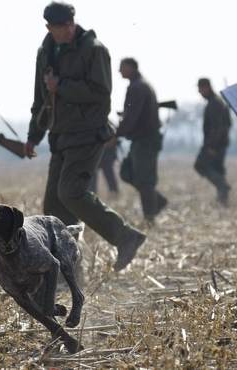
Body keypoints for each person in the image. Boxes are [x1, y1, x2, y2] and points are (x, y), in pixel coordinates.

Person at [25, 2, 146, 272]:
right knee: (54, 208)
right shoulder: (45, 52)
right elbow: (41, 97)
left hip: (88, 133)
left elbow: (101, 92)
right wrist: (34, 135)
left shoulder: (94, 50)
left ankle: (126, 236)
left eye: (70, 23)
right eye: (61, 26)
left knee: (71, 192)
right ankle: (66, 269)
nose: (68, 29)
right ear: (49, 28)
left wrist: (62, 86)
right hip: (60, 135)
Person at [114, 58, 168, 223]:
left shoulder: (138, 87)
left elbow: (132, 116)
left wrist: (116, 134)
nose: (119, 71)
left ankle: (149, 217)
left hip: (146, 140)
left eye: (122, 68)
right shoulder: (139, 85)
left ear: (131, 68)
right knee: (128, 172)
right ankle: (157, 201)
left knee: (144, 180)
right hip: (141, 140)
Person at [194, 78, 232, 206]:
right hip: (220, 143)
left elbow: (217, 127)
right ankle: (223, 200)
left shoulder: (214, 103)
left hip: (215, 144)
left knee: (200, 165)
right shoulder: (218, 101)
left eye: (200, 88)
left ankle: (223, 186)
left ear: (206, 87)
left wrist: (212, 146)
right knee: (217, 169)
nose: (199, 92)